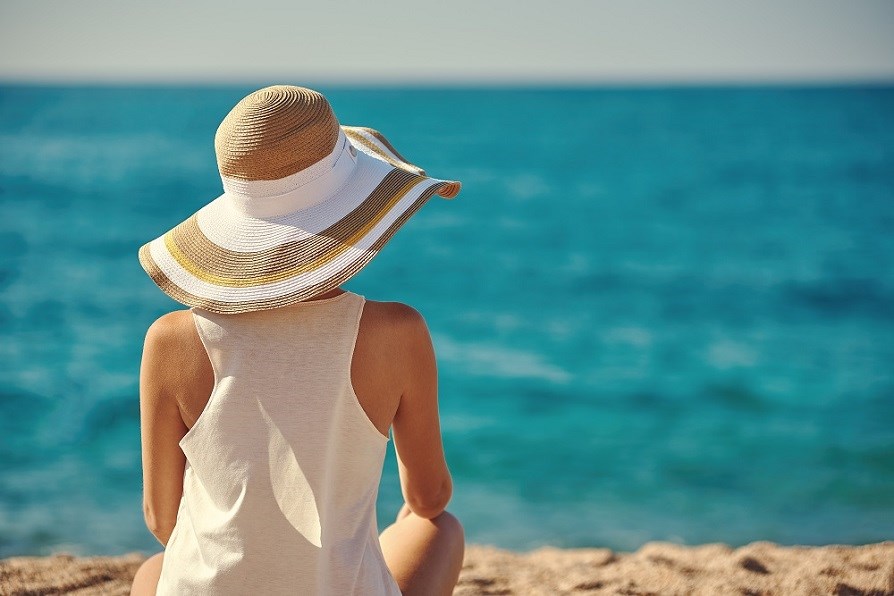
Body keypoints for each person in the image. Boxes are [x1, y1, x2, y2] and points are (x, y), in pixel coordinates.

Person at [130, 85, 464, 595]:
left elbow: (161, 519)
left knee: (153, 571)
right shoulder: (397, 332)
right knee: (437, 529)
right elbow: (430, 497)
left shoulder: (170, 339)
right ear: (357, 213)